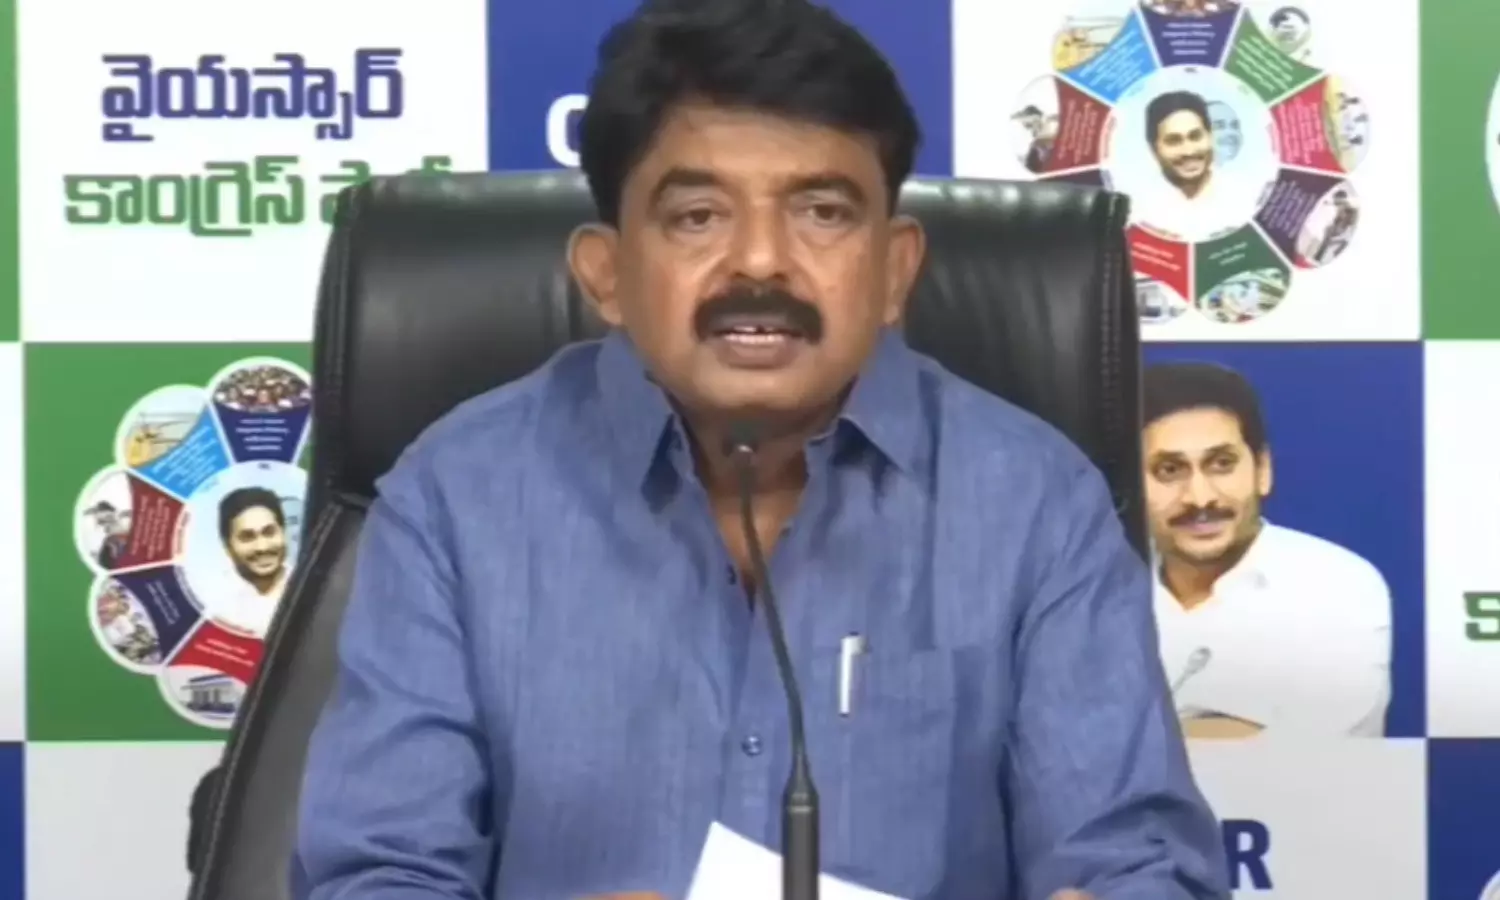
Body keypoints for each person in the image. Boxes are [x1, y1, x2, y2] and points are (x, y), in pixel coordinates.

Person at [291, 1, 1229, 898]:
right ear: (606, 274)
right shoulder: (458, 498)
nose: (761, 261)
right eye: (697, 216)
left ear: (895, 269)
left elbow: (1139, 861)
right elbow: (376, 872)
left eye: (822, 212)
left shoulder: (1035, 503)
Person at [1142, 362, 1392, 739]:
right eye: (1169, 470)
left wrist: (1128, 739)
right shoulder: (1099, 588)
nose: (1200, 497)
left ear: (1262, 470)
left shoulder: (1338, 583)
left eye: (1221, 464)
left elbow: (1294, 748)